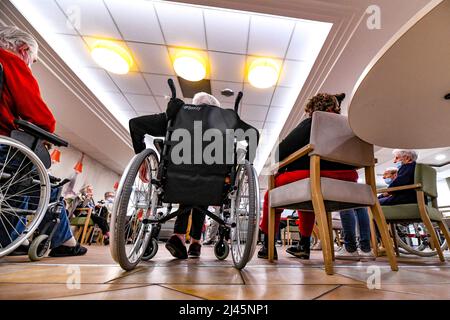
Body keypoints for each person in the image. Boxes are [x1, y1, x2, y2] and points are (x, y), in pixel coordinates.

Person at [129, 92, 255, 259]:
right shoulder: (226, 118)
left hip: (175, 180)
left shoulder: (177, 114)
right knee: (203, 187)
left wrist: (142, 160)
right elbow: (254, 134)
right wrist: (248, 163)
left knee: (187, 184)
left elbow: (135, 124)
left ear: (195, 104)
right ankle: (195, 242)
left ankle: (179, 236)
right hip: (214, 184)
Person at [0, 26, 86, 257]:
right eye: (33, 60)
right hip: (4, 148)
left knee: (26, 182)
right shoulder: (10, 61)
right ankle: (65, 243)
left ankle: (11, 237)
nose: (30, 64)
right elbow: (42, 119)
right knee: (47, 185)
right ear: (24, 49)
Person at [258, 92, 359, 260]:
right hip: (348, 177)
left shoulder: (313, 122)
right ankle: (303, 245)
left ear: (314, 109)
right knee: (308, 194)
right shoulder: (351, 126)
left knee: (272, 193)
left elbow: (279, 152)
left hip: (318, 174)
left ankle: (268, 245)